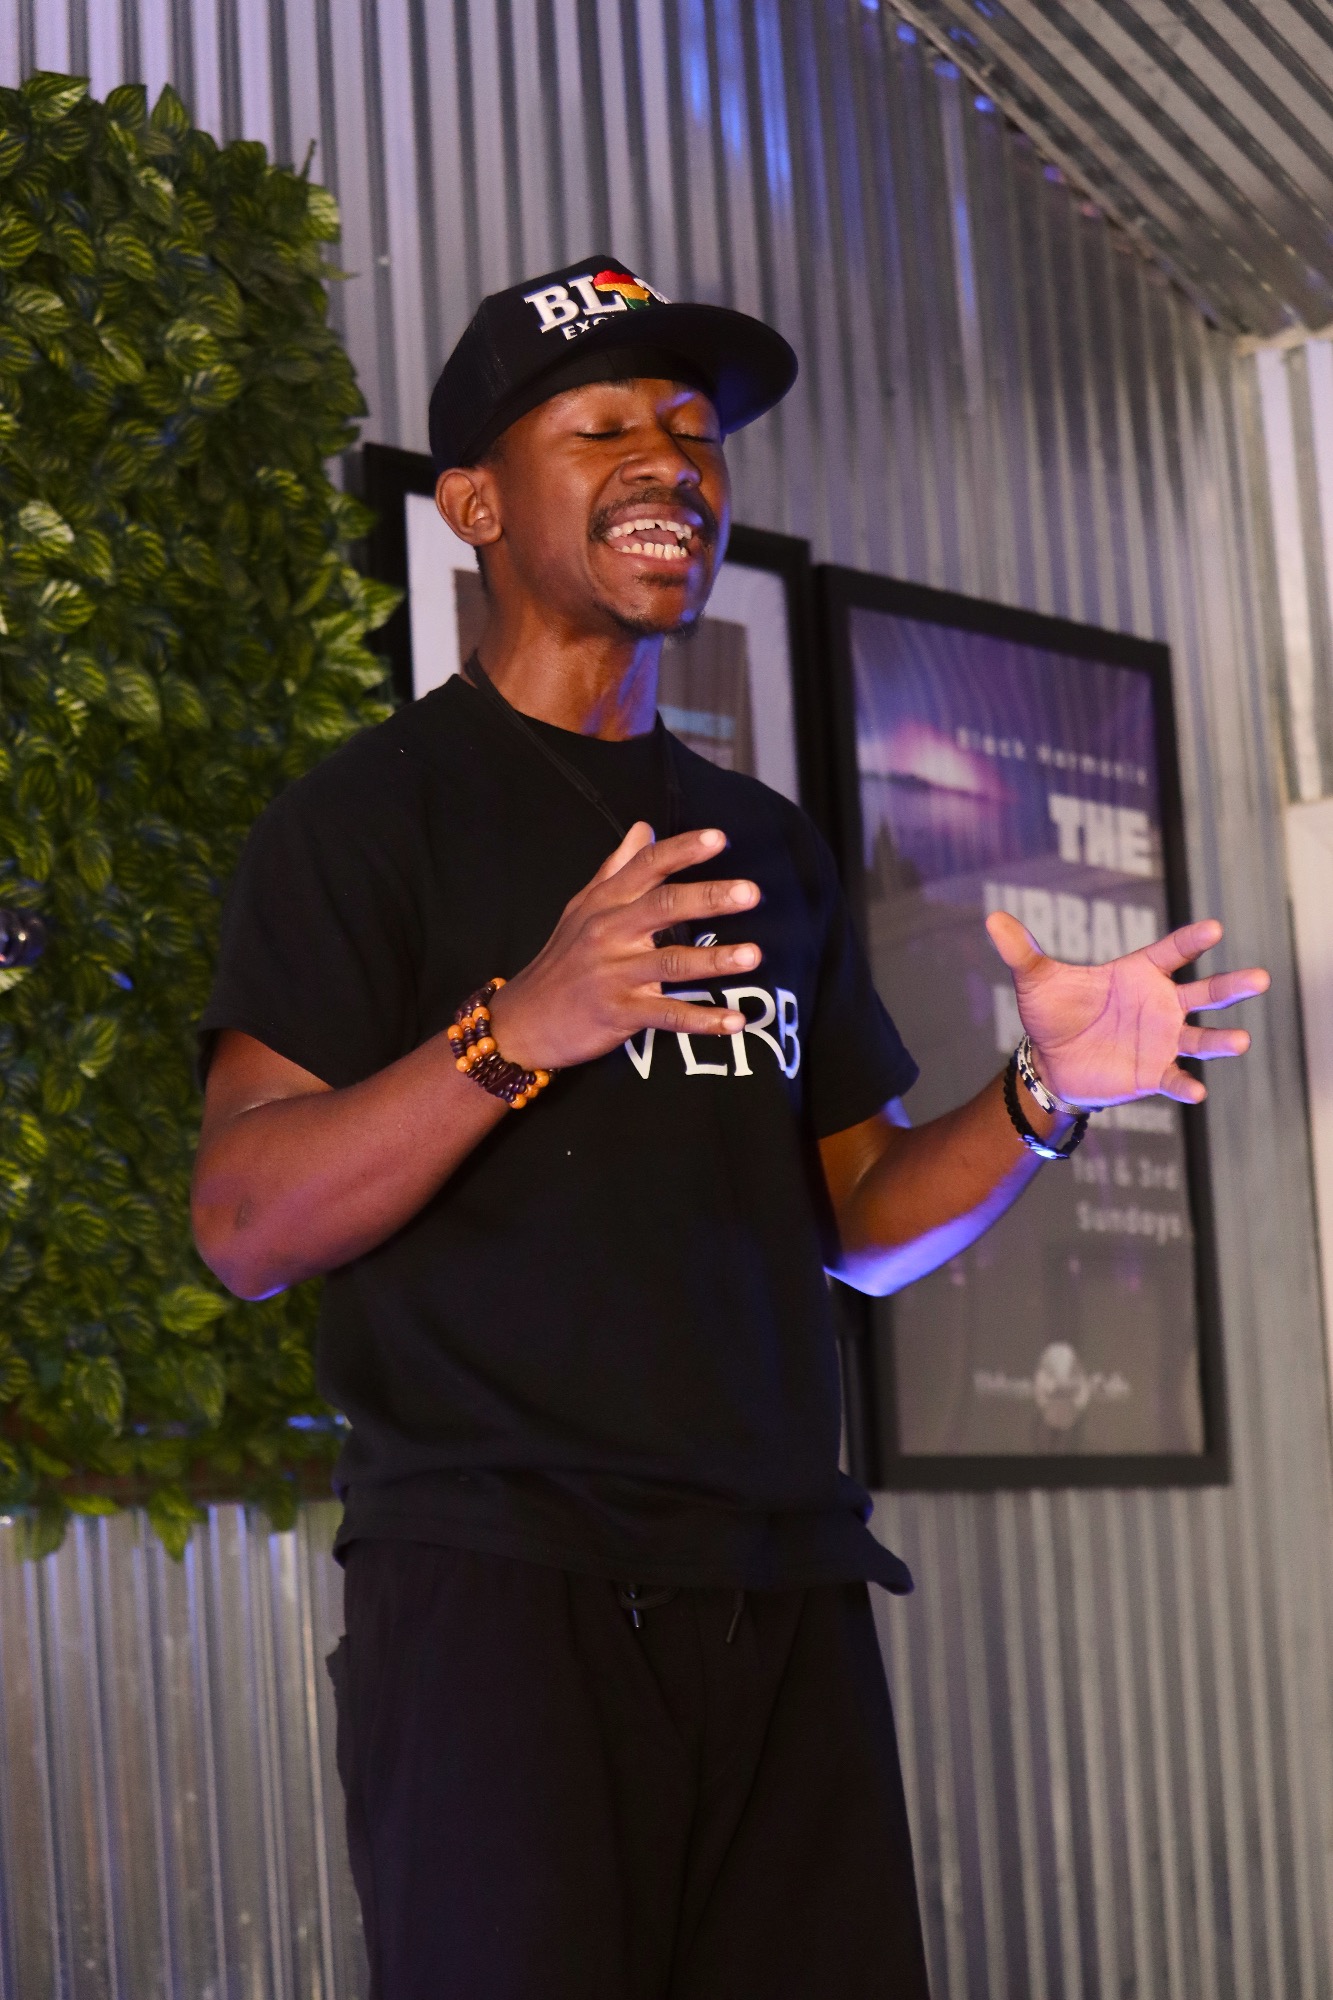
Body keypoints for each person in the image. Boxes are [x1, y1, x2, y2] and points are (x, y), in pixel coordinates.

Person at [191, 257, 1268, 2000]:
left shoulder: (764, 845)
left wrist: (1044, 1096)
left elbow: (862, 1224)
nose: (668, 463)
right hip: (503, 1594)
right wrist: (516, 1029)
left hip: (783, 1586)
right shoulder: (362, 824)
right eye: (602, 426)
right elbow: (243, 1225)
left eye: (693, 433)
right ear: (473, 503)